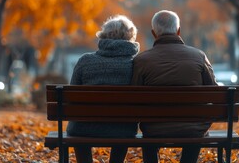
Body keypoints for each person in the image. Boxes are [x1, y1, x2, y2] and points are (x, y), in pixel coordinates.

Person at [131, 10, 218, 163]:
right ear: (178, 31)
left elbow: (134, 96)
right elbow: (215, 92)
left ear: (153, 33)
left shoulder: (141, 60)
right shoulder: (199, 56)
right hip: (193, 128)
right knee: (194, 128)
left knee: (149, 127)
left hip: (153, 128)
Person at [66, 15, 140, 163]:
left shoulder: (85, 61)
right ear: (130, 37)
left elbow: (71, 96)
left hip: (83, 128)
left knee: (78, 125)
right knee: (123, 126)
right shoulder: (136, 64)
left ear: (104, 36)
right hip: (122, 129)